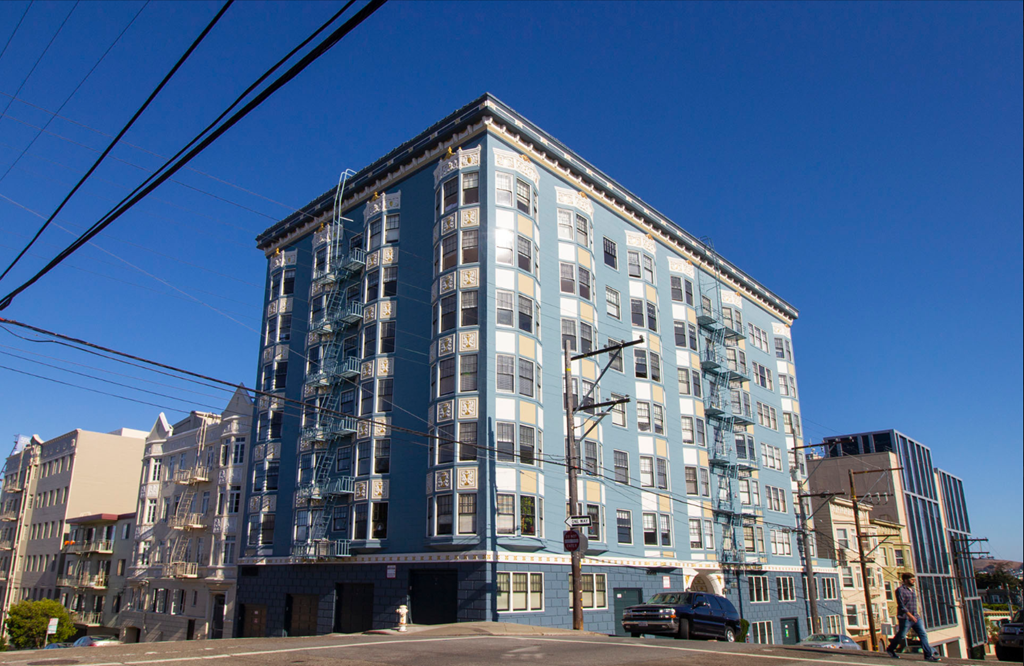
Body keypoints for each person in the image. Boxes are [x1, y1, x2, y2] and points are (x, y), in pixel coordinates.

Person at [886, 572, 940, 662]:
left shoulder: (912, 590)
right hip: (905, 617)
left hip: (916, 617)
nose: (913, 581)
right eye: (912, 579)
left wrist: (915, 615)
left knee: (923, 634)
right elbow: (901, 605)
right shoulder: (900, 590)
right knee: (902, 635)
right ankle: (890, 649)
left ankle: (928, 655)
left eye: (914, 579)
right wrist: (910, 616)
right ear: (906, 580)